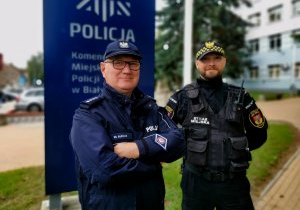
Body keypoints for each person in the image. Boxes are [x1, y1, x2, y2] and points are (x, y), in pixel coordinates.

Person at [70, 40, 185, 210]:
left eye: (133, 63)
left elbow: (179, 140)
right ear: (103, 69)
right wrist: (153, 163)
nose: (127, 69)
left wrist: (139, 148)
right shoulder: (88, 115)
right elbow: (104, 171)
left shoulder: (150, 108)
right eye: (118, 63)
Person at [165, 40, 268, 210]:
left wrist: (237, 149)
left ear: (224, 61)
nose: (211, 63)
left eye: (217, 58)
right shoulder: (182, 98)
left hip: (234, 185)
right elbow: (165, 131)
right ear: (197, 64)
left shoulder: (241, 97)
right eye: (205, 59)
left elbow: (259, 134)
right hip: (195, 184)